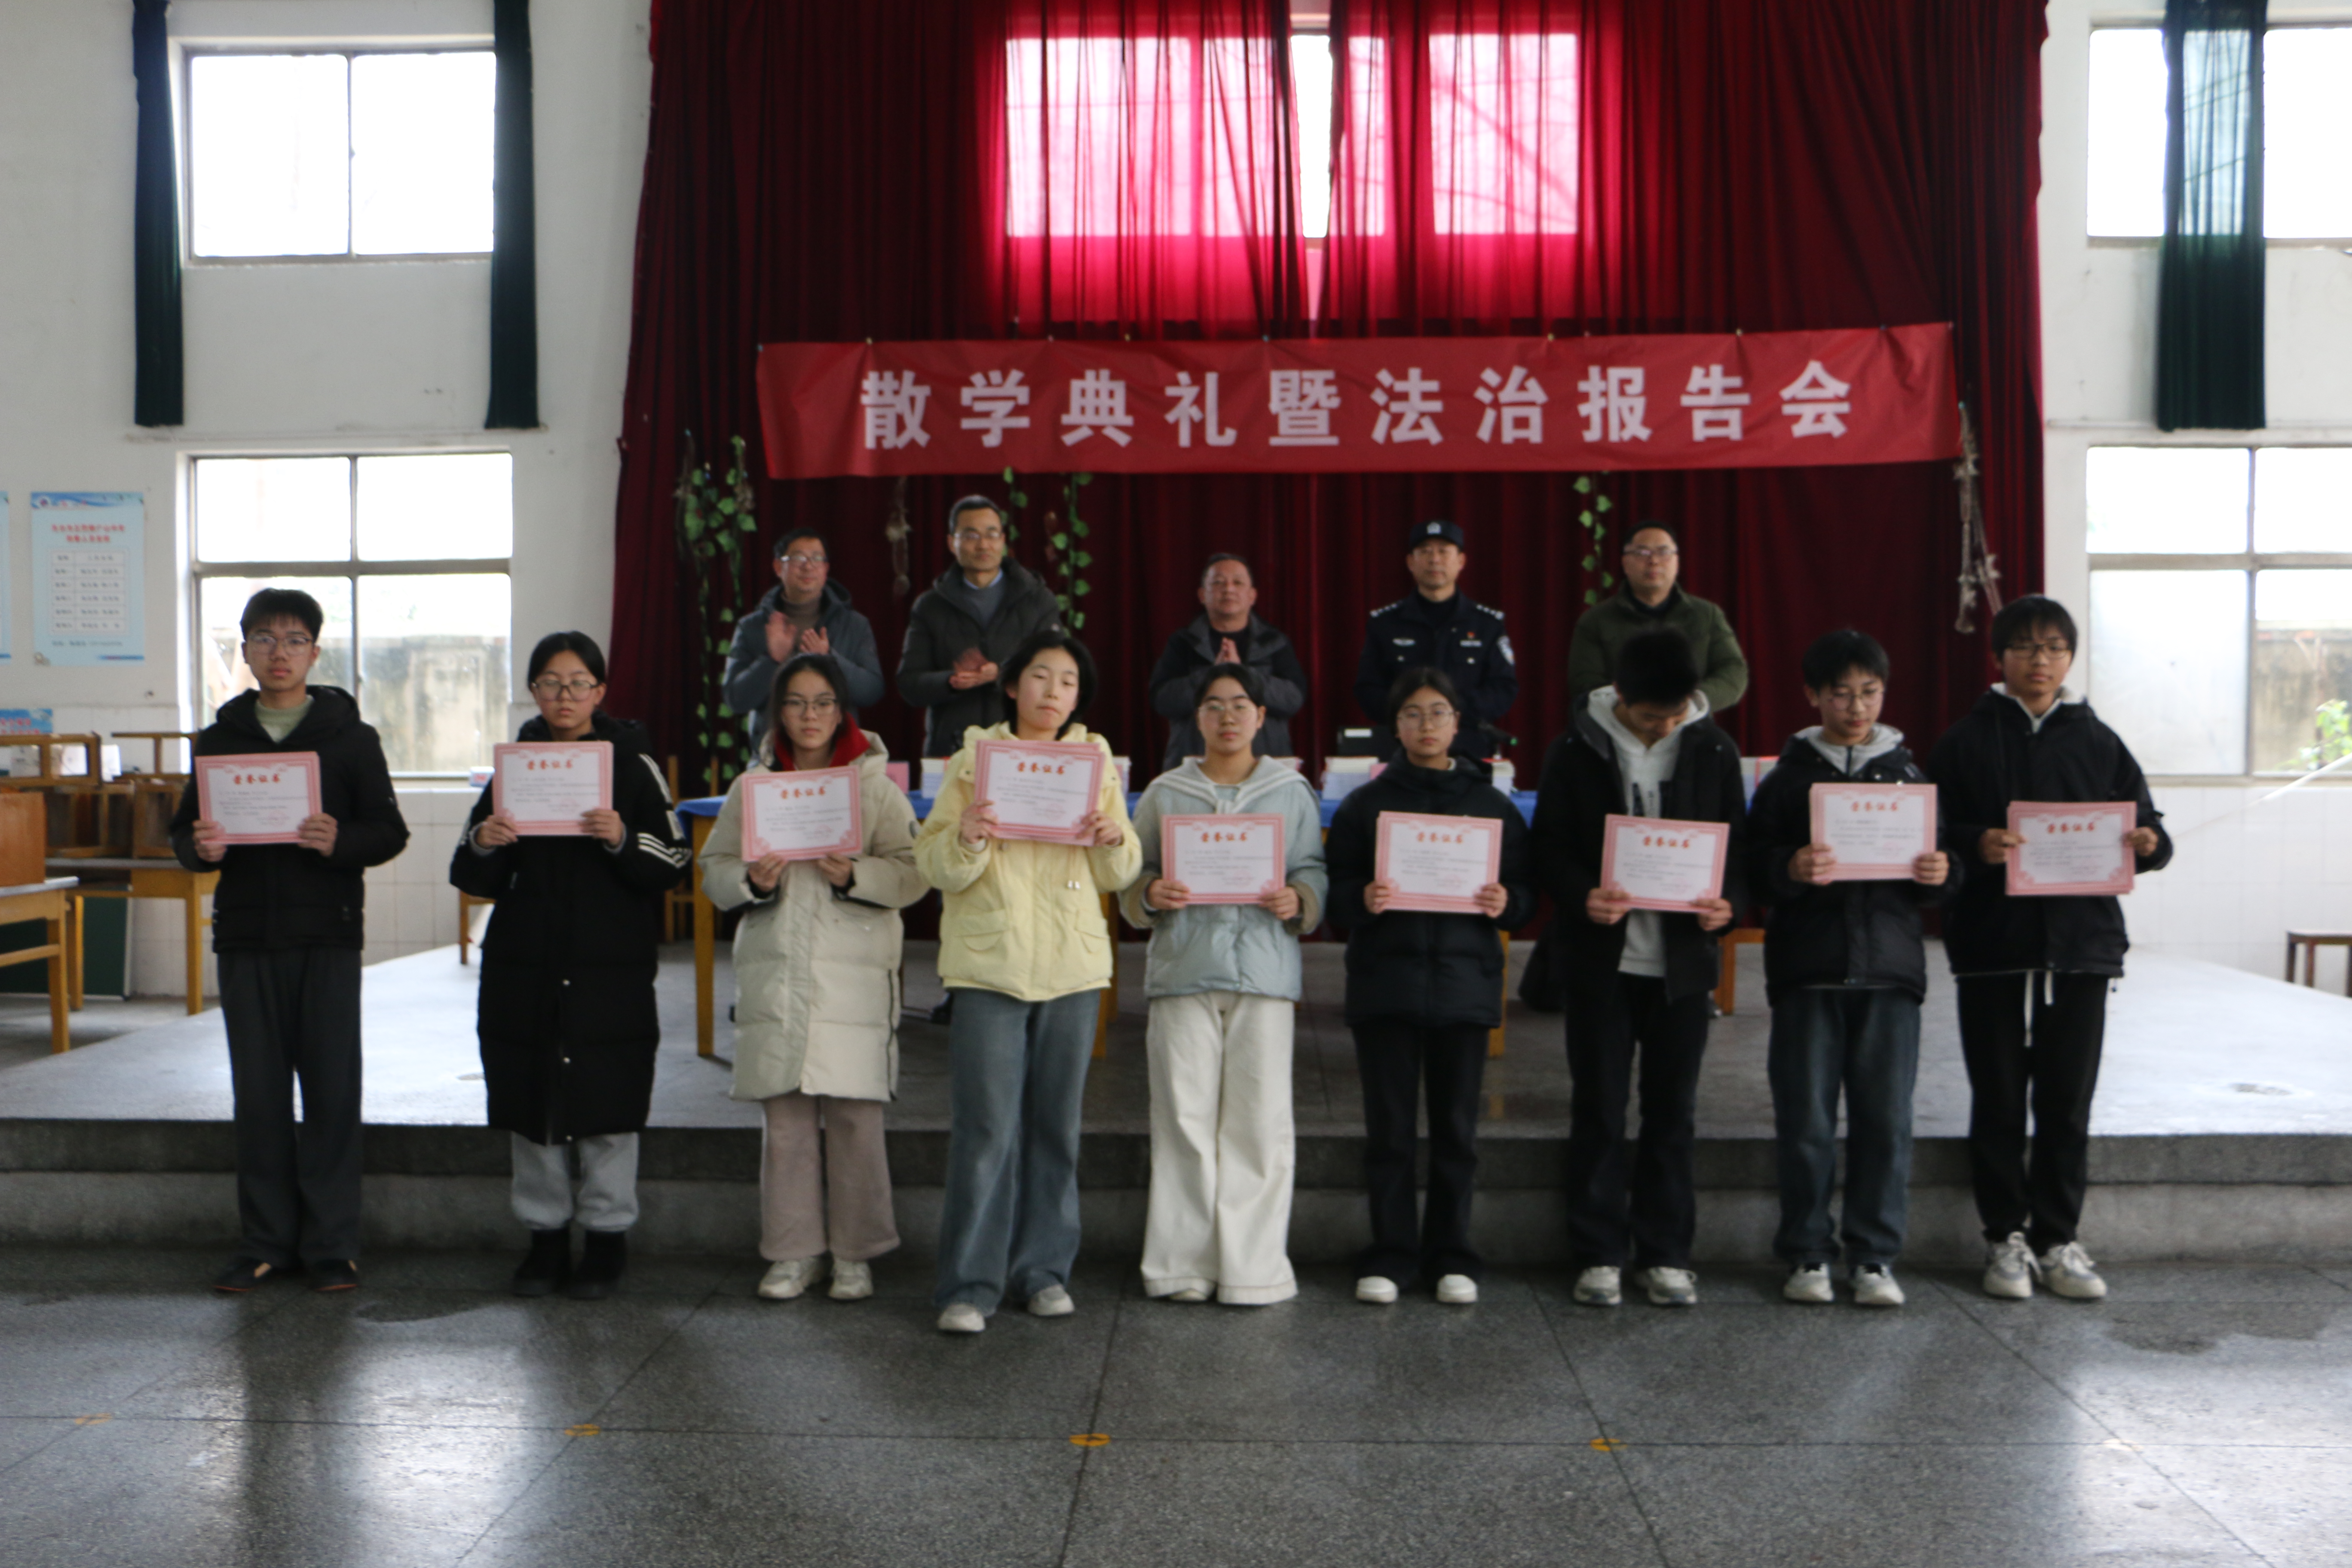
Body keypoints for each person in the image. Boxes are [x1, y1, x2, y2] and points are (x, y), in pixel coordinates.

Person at [1926, 595, 2171, 1303]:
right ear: (1998, 656)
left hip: (2081, 949)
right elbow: (1929, 835)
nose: (2041, 660)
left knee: (2067, 1103)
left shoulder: (2099, 741)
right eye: (2026, 647)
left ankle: (2058, 1238)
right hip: (1993, 948)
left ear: (2069, 658)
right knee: (1999, 1099)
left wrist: (2150, 843)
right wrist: (1974, 843)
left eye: (2055, 648)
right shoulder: (1964, 742)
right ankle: (2004, 1236)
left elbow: (2149, 826)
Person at [172, 587, 410, 1294]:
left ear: (315, 651)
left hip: (326, 936)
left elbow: (388, 831)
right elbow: (184, 834)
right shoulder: (218, 741)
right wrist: (200, 848)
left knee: (332, 1092)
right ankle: (265, 1241)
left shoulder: (351, 738)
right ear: (245, 650)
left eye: (295, 639)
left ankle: (333, 1245)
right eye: (265, 639)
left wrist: (341, 840)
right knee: (259, 1097)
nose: (280, 653)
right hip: (247, 937)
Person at [451, 632, 691, 1300]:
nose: (565, 696)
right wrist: (486, 841)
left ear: (600, 691)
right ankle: (545, 1240)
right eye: (551, 683)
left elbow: (675, 860)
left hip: (608, 966)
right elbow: (468, 871)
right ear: (533, 691)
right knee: (533, 1099)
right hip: (524, 963)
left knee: (609, 1100)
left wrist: (622, 838)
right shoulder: (515, 767)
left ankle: (607, 1240)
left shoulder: (632, 763)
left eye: (579, 683)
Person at [916, 629, 1142, 1332]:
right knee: (985, 1129)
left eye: (1068, 681)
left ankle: (1043, 1271)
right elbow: (935, 865)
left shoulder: (1096, 763)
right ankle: (968, 1285)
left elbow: (1119, 872)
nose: (1053, 691)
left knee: (1055, 1127)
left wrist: (1116, 839)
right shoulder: (972, 761)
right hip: (992, 962)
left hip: (1072, 965)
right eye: (1041, 676)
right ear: (1012, 686)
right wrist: (967, 836)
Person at [700, 653, 927, 1303]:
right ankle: (793, 1252)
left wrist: (857, 875)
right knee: (787, 1119)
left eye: (823, 702)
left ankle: (857, 1254)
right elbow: (715, 869)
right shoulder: (753, 788)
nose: (809, 715)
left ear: (841, 710)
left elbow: (914, 872)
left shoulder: (874, 788)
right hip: (778, 968)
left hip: (852, 972)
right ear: (778, 712)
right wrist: (750, 881)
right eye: (796, 703)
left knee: (856, 1118)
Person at [1531, 628, 1745, 1310]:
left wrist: (1729, 905)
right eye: (1653, 716)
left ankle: (1666, 1254)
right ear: (1620, 695)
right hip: (1602, 962)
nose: (1665, 726)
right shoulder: (1576, 749)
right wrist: (1580, 895)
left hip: (1681, 965)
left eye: (1676, 714)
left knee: (1672, 1111)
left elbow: (1737, 849)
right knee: (1598, 1106)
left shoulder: (1713, 749)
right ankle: (1598, 1252)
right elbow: (1548, 847)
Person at [1747, 630, 1957, 1309]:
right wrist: (1789, 867)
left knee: (1885, 1123)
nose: (1857, 707)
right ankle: (1807, 1253)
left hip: (1890, 974)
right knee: (1806, 1122)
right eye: (1841, 694)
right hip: (1808, 970)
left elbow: (1943, 870)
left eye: (1870, 692)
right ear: (1813, 696)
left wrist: (1940, 873)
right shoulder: (1788, 780)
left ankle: (1874, 1257)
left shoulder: (1910, 779)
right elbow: (1751, 869)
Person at [1325, 667, 1536, 1307]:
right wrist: (1362, 898)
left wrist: (1506, 901)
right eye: (1413, 714)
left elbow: (1527, 895)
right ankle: (1391, 1255)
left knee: (1456, 1134)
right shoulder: (1366, 806)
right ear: (1396, 726)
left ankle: (1452, 1256)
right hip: (1386, 984)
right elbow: (1335, 896)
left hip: (1464, 986)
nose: (1426, 725)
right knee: (1389, 1134)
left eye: (1438, 712)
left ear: (1457, 724)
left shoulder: (1490, 806)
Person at [1121, 663, 1327, 1305]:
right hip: (1183, 970)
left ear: (1261, 718)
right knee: (1183, 1120)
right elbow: (1133, 874)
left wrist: (1301, 898)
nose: (1228, 716)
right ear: (1197, 718)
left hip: (1263, 975)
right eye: (1214, 705)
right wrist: (1148, 893)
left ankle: (1253, 1270)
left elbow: (1312, 867)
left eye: (1241, 705)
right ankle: (1181, 1266)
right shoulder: (1166, 792)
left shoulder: (1289, 792)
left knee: (1259, 1124)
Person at [896, 496, 1064, 757]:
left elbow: (1057, 673)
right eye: (971, 536)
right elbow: (909, 683)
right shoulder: (930, 606)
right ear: (952, 543)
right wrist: (950, 681)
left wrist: (1002, 674)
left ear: (1003, 540)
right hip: (954, 750)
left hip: (1022, 747)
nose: (983, 544)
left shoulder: (1038, 601)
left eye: (992, 534)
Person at [1352, 520, 1519, 760]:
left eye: (1443, 551)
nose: (1435, 560)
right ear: (1411, 562)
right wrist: (1412, 713)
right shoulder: (1385, 624)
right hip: (1401, 750)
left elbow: (1503, 688)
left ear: (1461, 561)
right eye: (1426, 551)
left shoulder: (1487, 625)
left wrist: (1449, 712)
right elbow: (1368, 688)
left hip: (1468, 747)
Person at [723, 527, 886, 749]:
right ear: (778, 567)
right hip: (773, 755)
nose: (808, 566)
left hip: (838, 754)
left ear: (826, 569)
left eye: (817, 559)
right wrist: (772, 661)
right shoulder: (752, 627)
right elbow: (735, 700)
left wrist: (830, 660)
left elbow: (872, 692)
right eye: (798, 558)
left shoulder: (854, 625)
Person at [1565, 521, 1749, 714]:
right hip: (1619, 723)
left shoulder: (1706, 615)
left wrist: (1691, 703)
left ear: (1677, 562)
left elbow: (1733, 669)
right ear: (1625, 563)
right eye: (1642, 553)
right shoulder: (1596, 620)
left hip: (1690, 721)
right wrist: (1638, 709)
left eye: (1664, 552)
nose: (1654, 561)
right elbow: (1584, 682)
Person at [1147, 554, 1310, 770]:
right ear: (1202, 595)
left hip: (1265, 767)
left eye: (1238, 583)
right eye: (1218, 583)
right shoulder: (1184, 642)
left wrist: (1243, 674)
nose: (1229, 589)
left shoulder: (1274, 642)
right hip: (1196, 767)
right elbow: (1163, 700)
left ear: (1252, 596)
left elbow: (1293, 699)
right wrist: (1212, 676)